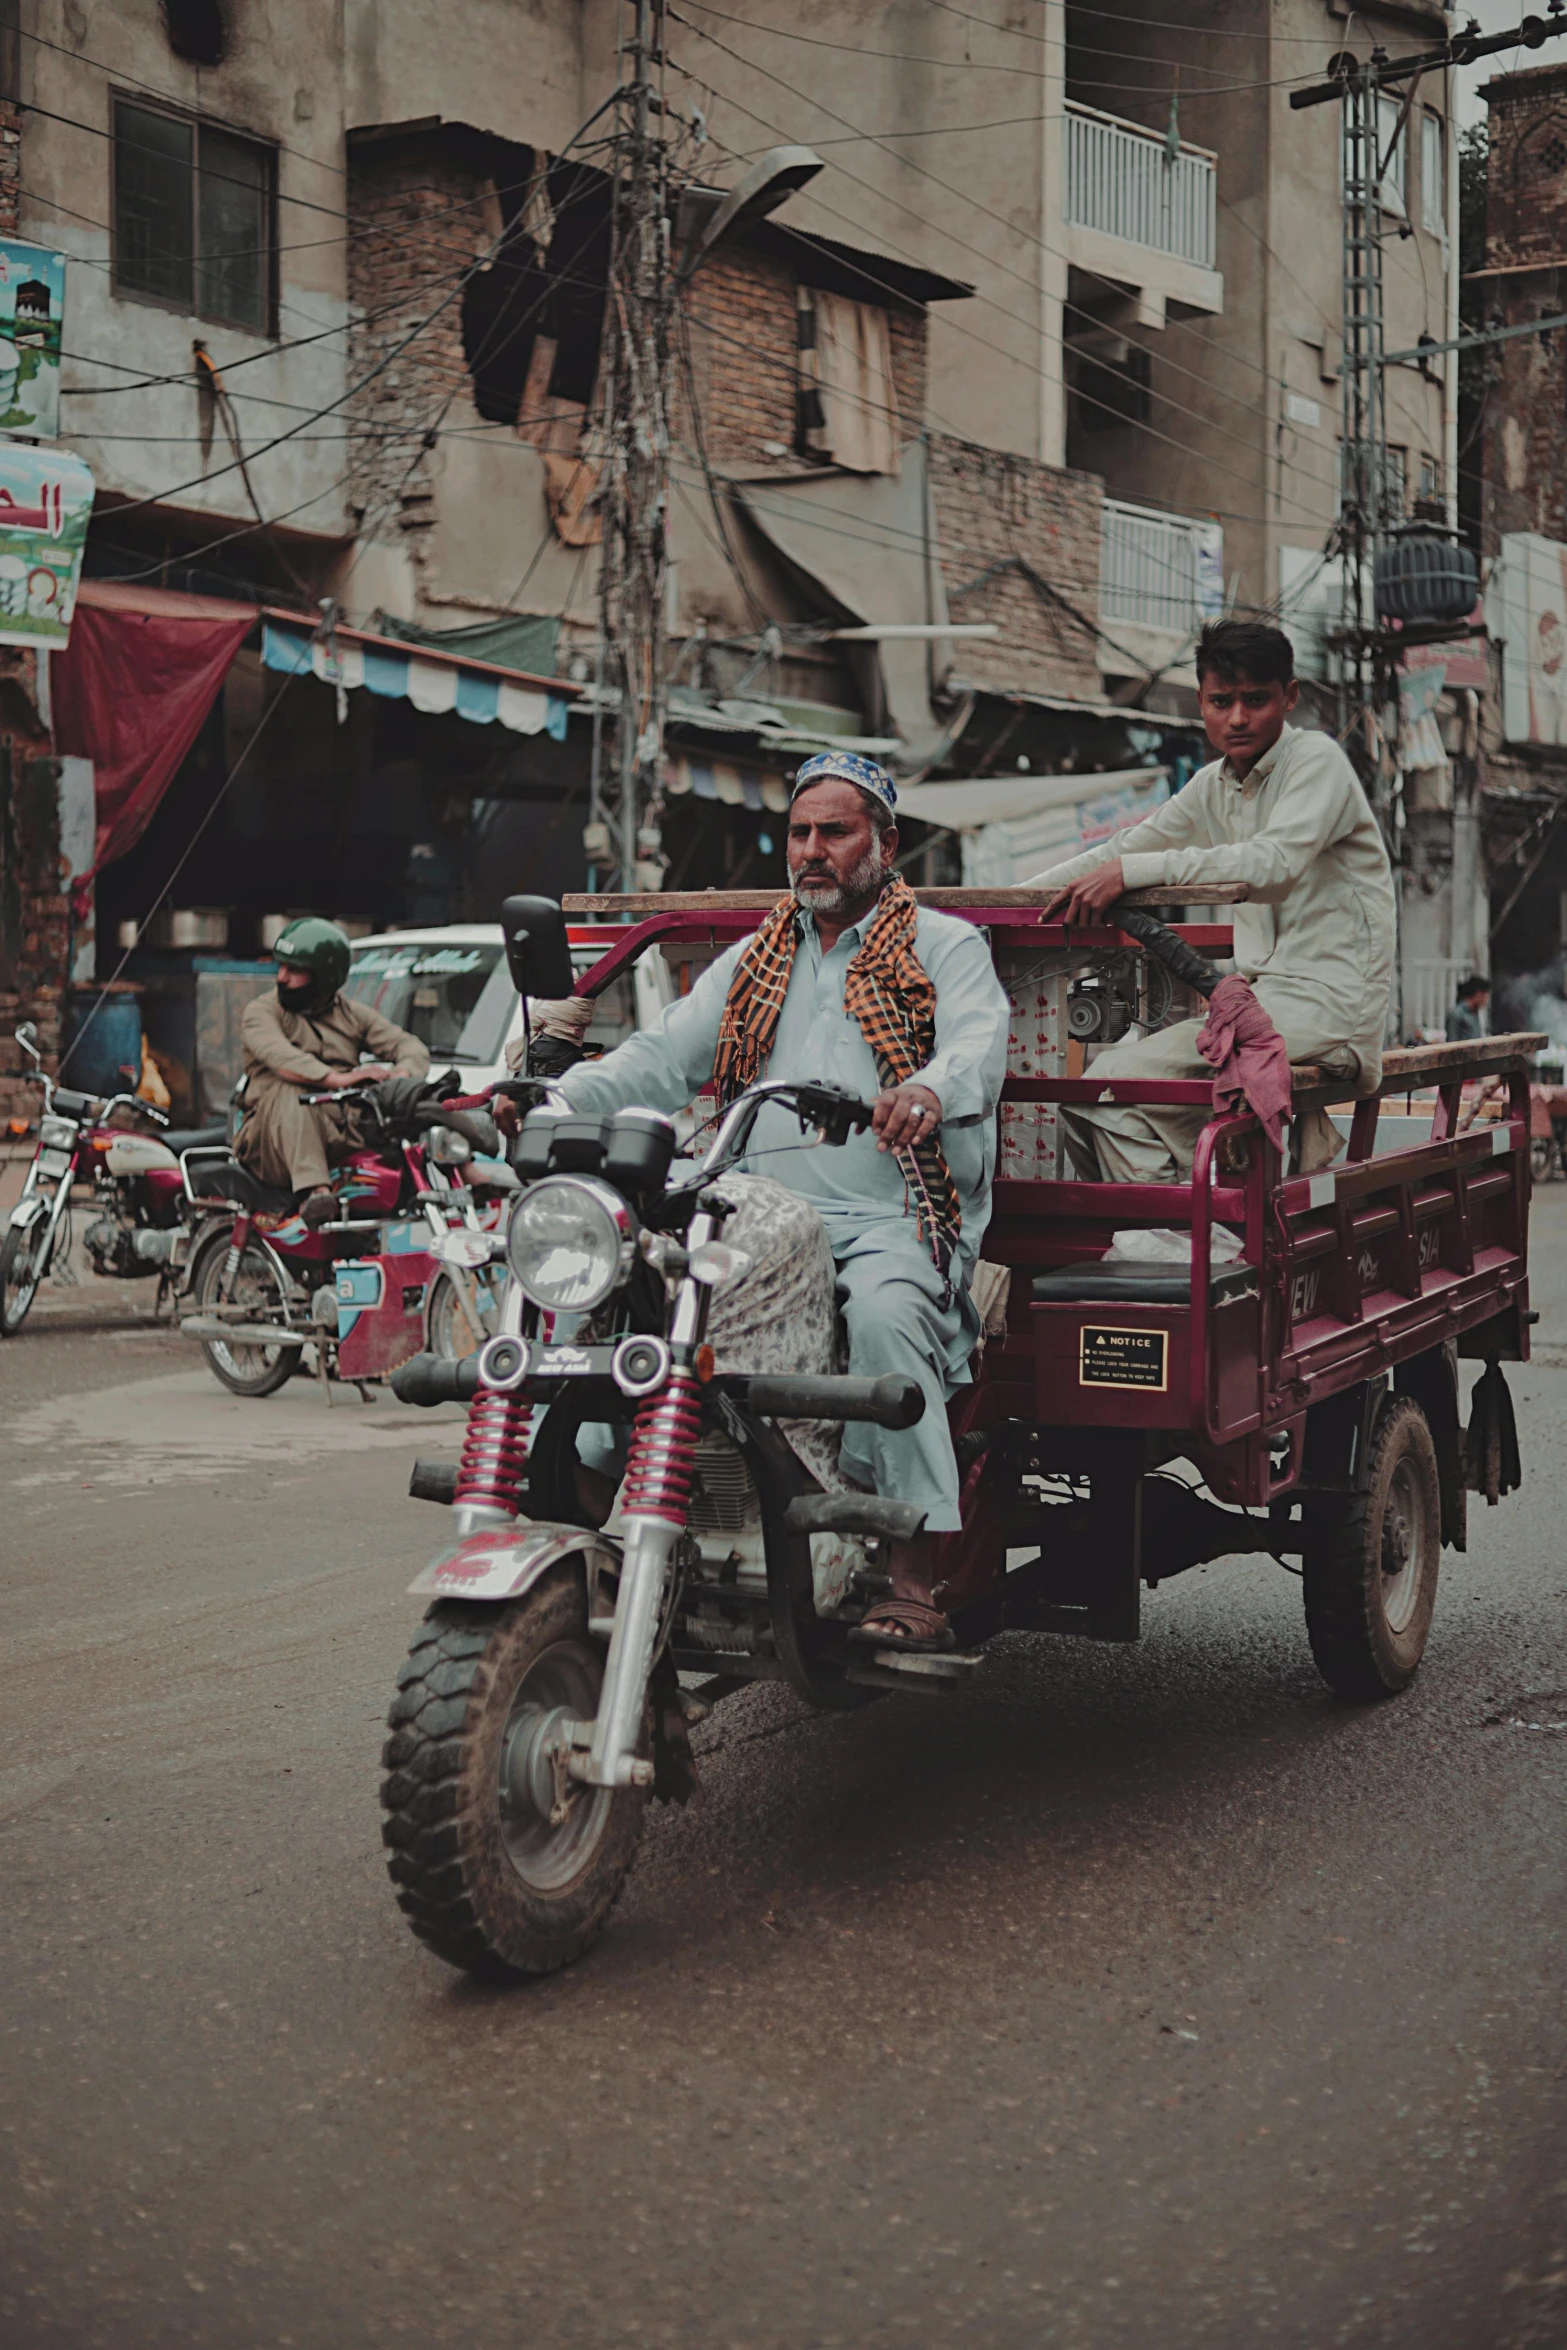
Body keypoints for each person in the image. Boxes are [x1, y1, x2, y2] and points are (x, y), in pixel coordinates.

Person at [538, 751, 1012, 1652]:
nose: (811, 851)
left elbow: (975, 1049)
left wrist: (925, 1090)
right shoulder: (756, 958)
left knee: (884, 1325)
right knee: (631, 1300)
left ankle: (909, 1574)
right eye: (799, 833)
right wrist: (559, 1099)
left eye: (834, 832)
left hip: (889, 1218)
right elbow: (659, 1056)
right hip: (753, 1216)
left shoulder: (944, 946)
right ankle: (613, 1503)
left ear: (884, 842)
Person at [1030, 617, 1396, 1181]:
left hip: (1332, 1010)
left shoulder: (1316, 762)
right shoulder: (1213, 783)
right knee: (1085, 1097)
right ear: (1200, 701)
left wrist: (1132, 872)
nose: (1239, 718)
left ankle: (1172, 1246)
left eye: (1256, 699)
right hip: (1260, 1006)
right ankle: (1147, 1237)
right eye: (1222, 701)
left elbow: (1271, 866)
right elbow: (1123, 847)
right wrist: (999, 904)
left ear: (1289, 697)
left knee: (1110, 1087)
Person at [236, 917, 430, 1220]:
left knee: (413, 1100)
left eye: (295, 970)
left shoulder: (351, 1015)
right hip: (270, 1141)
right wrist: (339, 1079)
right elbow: (282, 1058)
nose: (282, 977)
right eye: (281, 967)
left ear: (324, 977)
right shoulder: (261, 1011)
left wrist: (401, 1075)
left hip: (337, 1130)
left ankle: (459, 1179)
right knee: (294, 1089)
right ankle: (315, 1192)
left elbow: (410, 1047)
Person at [1445, 974, 1490, 1043]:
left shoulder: (1477, 1012)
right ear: (1478, 994)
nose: (1486, 1001)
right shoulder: (1457, 1014)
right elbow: (1451, 1041)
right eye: (1485, 997)